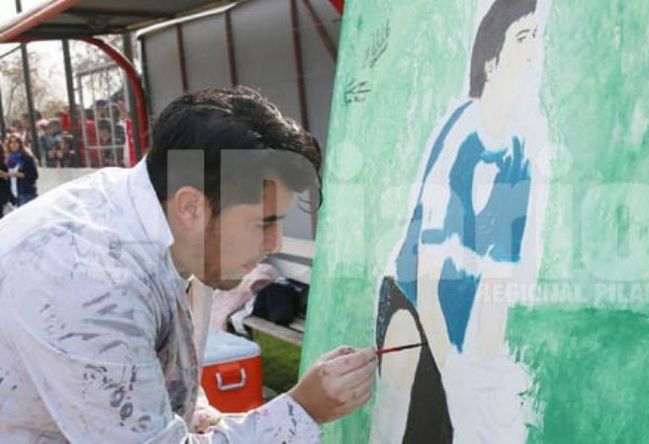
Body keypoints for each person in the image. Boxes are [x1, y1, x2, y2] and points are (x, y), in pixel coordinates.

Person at [0, 86, 376, 442]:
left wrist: (202, 416)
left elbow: (156, 383)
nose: (273, 243)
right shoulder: (92, 286)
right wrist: (301, 411)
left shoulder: (156, 221)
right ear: (191, 207)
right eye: (263, 222)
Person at [372, 0, 545, 442]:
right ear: (491, 59)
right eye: (522, 38)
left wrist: (483, 373)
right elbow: (428, 280)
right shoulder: (461, 137)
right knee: (414, 422)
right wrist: (455, 377)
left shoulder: (519, 155)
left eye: (536, 37)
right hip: (411, 303)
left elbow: (496, 284)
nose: (533, 50)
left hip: (455, 320)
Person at [3, 133, 38, 206]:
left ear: (20, 144)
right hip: (15, 196)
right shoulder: (8, 160)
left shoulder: (27, 157)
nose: (13, 144)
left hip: (26, 194)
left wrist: (13, 174)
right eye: (11, 142)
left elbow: (34, 175)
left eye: (16, 142)